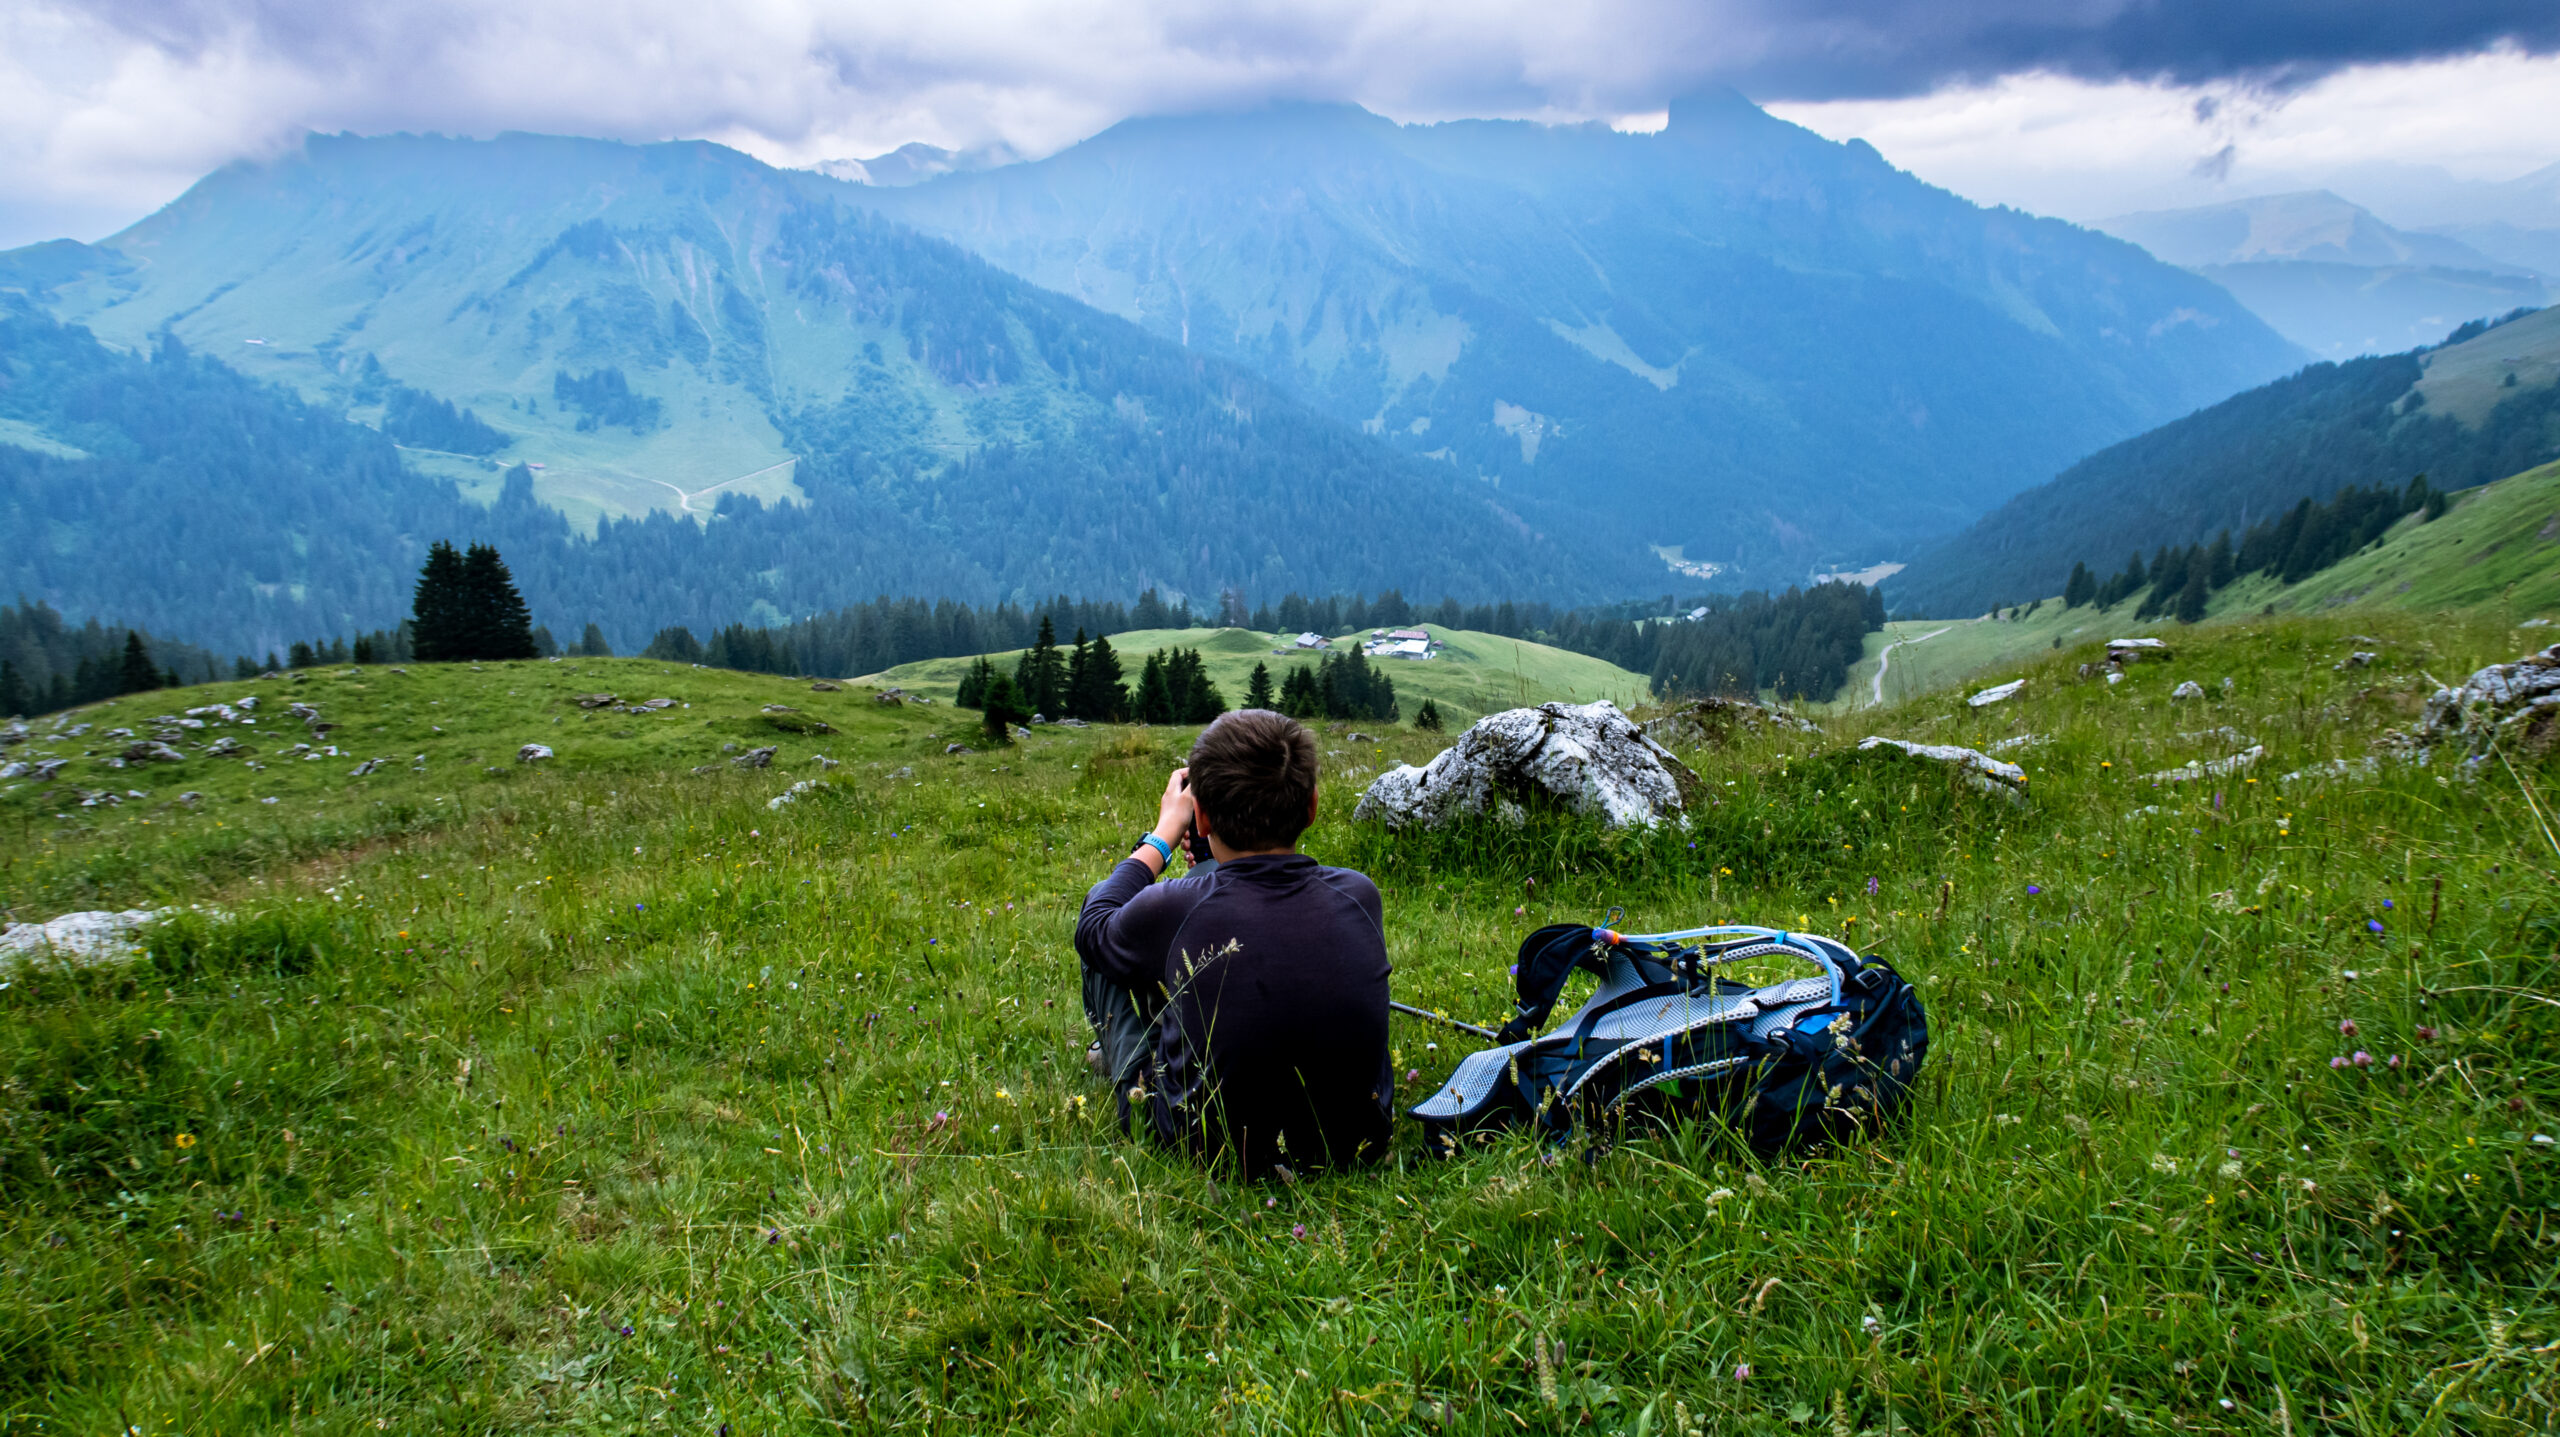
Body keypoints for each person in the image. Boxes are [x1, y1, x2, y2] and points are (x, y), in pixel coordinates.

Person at [1074, 708, 1392, 1176]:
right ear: (1311, 806)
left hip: (1204, 1146)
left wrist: (1163, 835)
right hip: (1350, 1141)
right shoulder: (1359, 894)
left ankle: (1125, 1059)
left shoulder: (1172, 908)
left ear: (1200, 818)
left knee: (1103, 928)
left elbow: (1095, 920)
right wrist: (1209, 865)